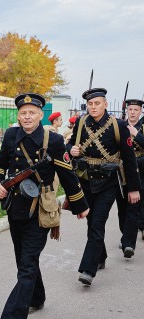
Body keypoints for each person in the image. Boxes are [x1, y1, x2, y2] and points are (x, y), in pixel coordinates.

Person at [0, 93, 89, 319]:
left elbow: (67, 174)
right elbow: (0, 163)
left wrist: (80, 205)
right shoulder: (11, 136)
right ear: (18, 115)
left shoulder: (54, 140)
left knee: (27, 264)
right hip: (15, 208)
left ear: (39, 115)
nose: (27, 116)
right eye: (23, 112)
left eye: (32, 113)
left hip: (41, 211)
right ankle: (38, 297)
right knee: (23, 260)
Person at [67, 88, 141, 286]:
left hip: (109, 182)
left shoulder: (118, 126)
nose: (93, 107)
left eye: (97, 103)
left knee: (98, 222)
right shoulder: (81, 122)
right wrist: (71, 149)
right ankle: (100, 257)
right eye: (90, 104)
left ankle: (87, 270)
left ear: (105, 104)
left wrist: (133, 188)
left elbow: (129, 158)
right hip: (86, 181)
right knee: (92, 222)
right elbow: (70, 145)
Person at [116, 99, 144, 247]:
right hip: (121, 173)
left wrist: (136, 134)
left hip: (140, 173)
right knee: (122, 209)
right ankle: (125, 235)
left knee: (134, 208)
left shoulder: (142, 128)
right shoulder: (120, 126)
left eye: (136, 110)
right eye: (130, 109)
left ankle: (128, 244)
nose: (132, 112)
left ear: (140, 112)